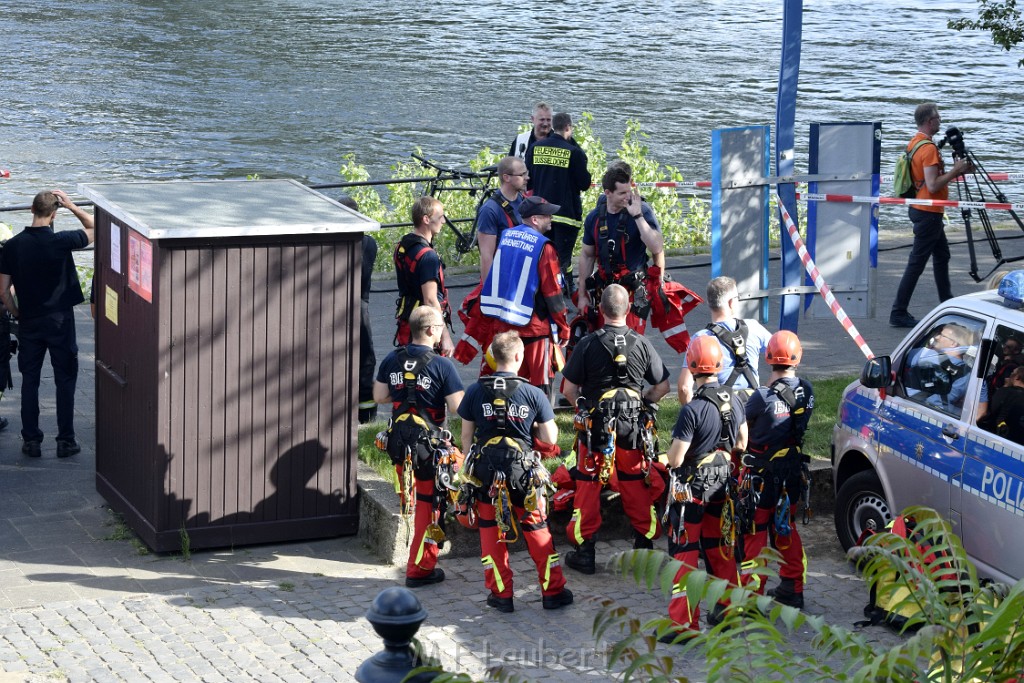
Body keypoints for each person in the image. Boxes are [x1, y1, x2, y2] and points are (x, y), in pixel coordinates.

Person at [457, 331, 573, 613]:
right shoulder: (533, 393)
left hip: (485, 472)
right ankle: (552, 591)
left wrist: (466, 471)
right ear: (520, 357)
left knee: (490, 532)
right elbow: (551, 438)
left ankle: (501, 595)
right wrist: (531, 426)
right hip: (523, 472)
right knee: (536, 529)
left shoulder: (474, 390)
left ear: (493, 359)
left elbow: (465, 437)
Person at [561, 284, 670, 573]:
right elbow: (662, 386)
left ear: (601, 310)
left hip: (596, 428)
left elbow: (569, 388)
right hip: (633, 428)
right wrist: (644, 403)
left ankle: (585, 552)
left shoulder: (587, 344)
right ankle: (644, 547)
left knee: (588, 484)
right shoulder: (642, 343)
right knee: (636, 484)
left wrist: (582, 407)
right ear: (629, 307)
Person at [373, 306, 464, 587]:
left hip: (400, 443)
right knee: (429, 504)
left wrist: (405, 395)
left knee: (415, 500)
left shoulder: (392, 358)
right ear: (430, 330)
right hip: (429, 447)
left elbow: (379, 395)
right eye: (440, 327)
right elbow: (458, 407)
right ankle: (419, 568)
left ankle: (422, 556)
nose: (441, 332)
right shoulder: (442, 365)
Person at [662, 335, 747, 634]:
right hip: (723, 486)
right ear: (719, 365)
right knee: (719, 546)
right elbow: (742, 442)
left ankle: (683, 625)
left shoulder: (692, 410)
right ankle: (729, 610)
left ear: (693, 367)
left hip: (693, 492)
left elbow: (676, 459)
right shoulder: (734, 400)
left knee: (684, 556)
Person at [0, 190, 94, 458]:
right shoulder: (63, 240)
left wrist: (17, 313)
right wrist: (72, 205)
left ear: (31, 209)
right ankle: (65, 440)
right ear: (54, 214)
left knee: (30, 380)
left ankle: (31, 441)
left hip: (29, 321)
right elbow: (95, 227)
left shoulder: (13, 246)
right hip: (60, 321)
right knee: (65, 378)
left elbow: (4, 291)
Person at [738, 330, 814, 610]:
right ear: (797, 358)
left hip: (760, 479)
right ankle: (793, 588)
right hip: (792, 473)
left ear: (768, 358)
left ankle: (750, 600)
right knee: (786, 529)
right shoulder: (807, 390)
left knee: (755, 534)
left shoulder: (760, 397)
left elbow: (743, 428)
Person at [889, 103, 973, 328]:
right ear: (929, 121)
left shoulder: (915, 143)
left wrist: (957, 170)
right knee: (916, 263)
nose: (940, 121)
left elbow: (929, 182)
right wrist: (955, 171)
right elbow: (933, 185)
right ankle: (898, 311)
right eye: (937, 117)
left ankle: (946, 301)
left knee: (942, 255)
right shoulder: (928, 149)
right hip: (928, 213)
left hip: (924, 209)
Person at [479, 196, 569, 393]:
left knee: (510, 380)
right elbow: (553, 293)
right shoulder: (544, 246)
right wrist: (563, 327)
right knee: (540, 386)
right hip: (535, 326)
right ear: (535, 219)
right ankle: (541, 422)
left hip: (505, 323)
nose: (551, 219)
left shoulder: (507, 236)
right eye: (547, 216)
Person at [577, 165, 665, 332]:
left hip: (633, 290)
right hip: (605, 289)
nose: (628, 197)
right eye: (622, 193)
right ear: (607, 193)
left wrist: (637, 216)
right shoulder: (594, 218)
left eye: (629, 191)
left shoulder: (643, 211)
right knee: (603, 340)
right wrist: (582, 295)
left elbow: (656, 248)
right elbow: (587, 256)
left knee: (630, 341)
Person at [525, 112, 592, 296]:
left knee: (541, 254)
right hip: (566, 215)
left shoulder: (536, 147)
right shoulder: (574, 152)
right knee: (562, 258)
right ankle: (559, 295)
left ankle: (550, 288)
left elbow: (528, 181)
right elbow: (584, 184)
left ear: (553, 127)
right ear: (569, 128)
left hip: (540, 214)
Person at [677, 276, 772, 404]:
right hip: (753, 407)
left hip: (721, 409)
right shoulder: (754, 328)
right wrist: (767, 389)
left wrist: (693, 415)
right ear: (731, 302)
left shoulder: (700, 339)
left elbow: (684, 388)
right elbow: (784, 358)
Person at [393, 196, 454, 355]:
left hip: (407, 320)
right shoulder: (428, 257)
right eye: (440, 217)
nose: (443, 221)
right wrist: (444, 336)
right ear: (426, 219)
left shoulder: (403, 246)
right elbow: (430, 299)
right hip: (425, 328)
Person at [338, 195, 379, 424]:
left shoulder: (336, 245)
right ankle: (366, 416)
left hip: (337, 308)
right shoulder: (369, 243)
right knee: (365, 360)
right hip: (361, 307)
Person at [476, 156, 527, 279]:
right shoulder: (490, 210)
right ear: (506, 177)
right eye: (522, 175)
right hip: (502, 276)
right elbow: (486, 256)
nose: (527, 178)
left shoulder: (523, 200)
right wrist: (488, 291)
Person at [978, 366, 1024, 444]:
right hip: (1019, 441)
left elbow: (991, 411)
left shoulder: (1005, 392)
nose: (1010, 375)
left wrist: (1005, 386)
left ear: (1017, 377)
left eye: (1012, 372)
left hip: (997, 436)